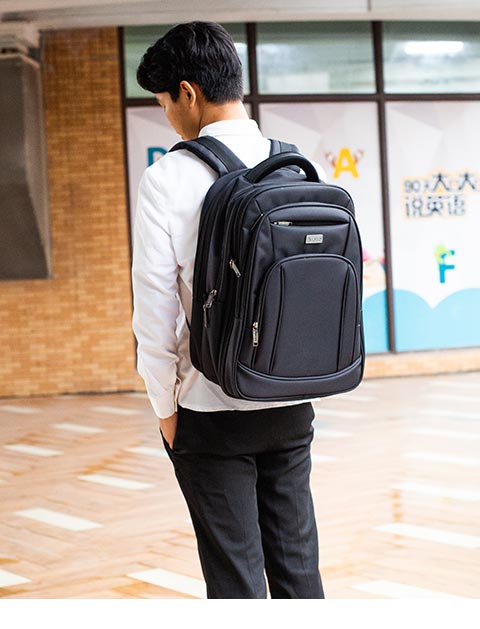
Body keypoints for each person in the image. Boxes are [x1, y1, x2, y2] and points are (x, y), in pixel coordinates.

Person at [132, 21, 327, 599]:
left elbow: (154, 307)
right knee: (298, 569)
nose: (169, 117)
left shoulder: (167, 177)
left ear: (188, 93)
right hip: (291, 400)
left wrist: (165, 408)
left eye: (165, 103)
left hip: (210, 406)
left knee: (235, 578)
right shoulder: (294, 165)